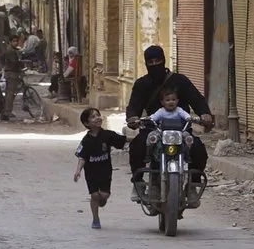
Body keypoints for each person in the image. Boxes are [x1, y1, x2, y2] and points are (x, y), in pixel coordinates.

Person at [126, 45, 213, 203]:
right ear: (146, 63)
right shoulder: (141, 84)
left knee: (198, 150)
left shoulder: (180, 81)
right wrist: (132, 118)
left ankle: (193, 184)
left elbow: (197, 99)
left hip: (181, 128)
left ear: (164, 60)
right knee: (137, 147)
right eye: (150, 62)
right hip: (154, 128)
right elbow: (134, 105)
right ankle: (138, 183)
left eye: (157, 61)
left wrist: (205, 114)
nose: (154, 65)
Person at [73, 108, 128, 229]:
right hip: (91, 173)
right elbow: (82, 157)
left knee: (104, 195)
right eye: (93, 117)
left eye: (98, 115)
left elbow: (122, 141)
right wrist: (78, 171)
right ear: (87, 123)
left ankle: (102, 200)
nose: (97, 118)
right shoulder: (86, 141)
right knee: (94, 196)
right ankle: (95, 219)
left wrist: (136, 138)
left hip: (105, 171)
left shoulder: (108, 135)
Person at [2, 35, 22, 121]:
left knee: (10, 93)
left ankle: (7, 110)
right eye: (14, 41)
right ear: (10, 42)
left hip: (12, 73)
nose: (16, 42)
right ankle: (7, 112)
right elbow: (14, 63)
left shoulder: (13, 50)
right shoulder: (10, 51)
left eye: (17, 41)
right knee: (10, 94)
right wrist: (22, 63)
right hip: (11, 73)